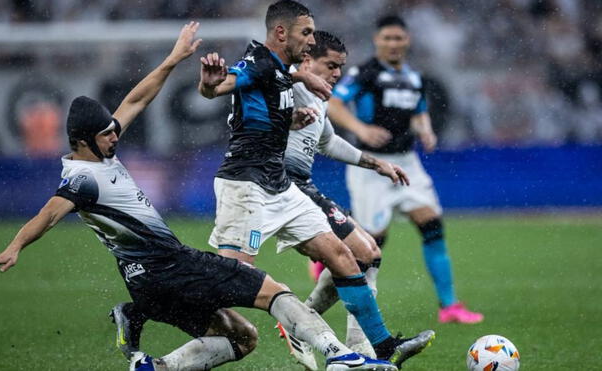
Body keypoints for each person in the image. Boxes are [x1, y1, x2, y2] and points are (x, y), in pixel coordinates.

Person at [0, 22, 396, 371]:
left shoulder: (99, 153)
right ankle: (342, 358)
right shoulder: (82, 179)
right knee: (275, 292)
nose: (114, 136)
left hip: (144, 282)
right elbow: (49, 214)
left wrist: (173, 59)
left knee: (241, 339)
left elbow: (136, 99)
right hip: (172, 266)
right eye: (106, 134)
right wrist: (14, 246)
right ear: (81, 141)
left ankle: (151, 365)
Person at [198, 0, 433, 366]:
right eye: (306, 33)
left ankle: (381, 348)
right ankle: (154, 304)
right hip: (245, 185)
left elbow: (322, 138)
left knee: (347, 256)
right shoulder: (260, 62)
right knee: (230, 282)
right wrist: (212, 86)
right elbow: (228, 82)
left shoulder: (289, 77)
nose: (310, 40)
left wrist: (375, 163)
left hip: (281, 185)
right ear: (282, 33)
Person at [275, 29, 436, 369]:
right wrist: (292, 94)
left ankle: (313, 328)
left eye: (340, 66)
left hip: (304, 185)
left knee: (369, 253)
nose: (336, 73)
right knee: (354, 255)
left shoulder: (318, 96)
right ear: (307, 61)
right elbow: (257, 82)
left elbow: (330, 142)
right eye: (330, 65)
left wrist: (378, 164)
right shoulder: (285, 86)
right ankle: (365, 347)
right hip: (278, 185)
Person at [328, 14, 484, 324]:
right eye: (387, 38)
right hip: (371, 164)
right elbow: (333, 103)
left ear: (407, 41)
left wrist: (425, 130)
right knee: (372, 244)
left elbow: (419, 113)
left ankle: (449, 306)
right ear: (377, 40)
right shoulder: (365, 72)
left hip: (407, 162)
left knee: (432, 225)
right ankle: (329, 253)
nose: (393, 44)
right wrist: (361, 128)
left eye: (398, 38)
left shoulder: (415, 78)